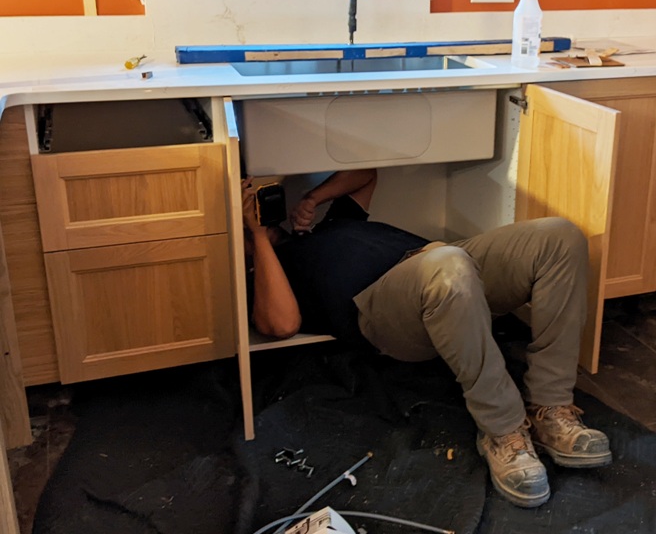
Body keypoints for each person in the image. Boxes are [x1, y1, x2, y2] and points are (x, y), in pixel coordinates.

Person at [241, 169, 612, 509]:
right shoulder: (281, 271)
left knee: (559, 237)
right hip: (390, 307)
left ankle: (550, 407)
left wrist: (311, 200)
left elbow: (365, 175)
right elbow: (281, 324)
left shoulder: (332, 227)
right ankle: (504, 430)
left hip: (442, 262)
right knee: (448, 266)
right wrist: (259, 237)